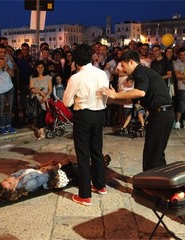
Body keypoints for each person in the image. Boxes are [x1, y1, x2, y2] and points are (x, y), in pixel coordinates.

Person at [101, 50, 174, 171]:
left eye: (123, 66)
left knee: (153, 152)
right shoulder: (141, 73)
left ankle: (153, 182)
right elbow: (130, 100)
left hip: (162, 114)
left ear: (131, 62)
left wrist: (116, 95)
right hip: (161, 114)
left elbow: (140, 92)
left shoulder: (141, 71)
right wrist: (112, 100)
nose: (123, 70)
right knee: (154, 151)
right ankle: (156, 181)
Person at [63, 43, 109, 206]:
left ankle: (85, 195)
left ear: (75, 60)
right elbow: (106, 95)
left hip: (83, 115)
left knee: (83, 155)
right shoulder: (102, 73)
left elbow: (66, 101)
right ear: (91, 57)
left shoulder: (76, 77)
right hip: (99, 114)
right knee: (97, 151)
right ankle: (100, 185)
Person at [0, 154, 111, 203]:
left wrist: (45, 164)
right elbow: (47, 176)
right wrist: (60, 164)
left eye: (6, 179)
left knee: (77, 166)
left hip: (48, 170)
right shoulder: (27, 185)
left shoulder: (15, 176)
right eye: (8, 182)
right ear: (12, 190)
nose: (9, 179)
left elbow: (33, 168)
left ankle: (97, 166)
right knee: (77, 170)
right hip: (57, 176)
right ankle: (99, 168)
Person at [0, 44, 17, 135]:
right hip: (0, 89)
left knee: (8, 109)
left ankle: (9, 125)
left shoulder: (8, 61)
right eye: (0, 52)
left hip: (9, 87)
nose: (2, 54)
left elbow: (13, 75)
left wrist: (7, 67)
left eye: (4, 52)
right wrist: (0, 66)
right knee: (1, 109)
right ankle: (2, 126)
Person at [29, 61, 53, 140]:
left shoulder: (48, 77)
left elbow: (50, 89)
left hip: (45, 98)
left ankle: (43, 131)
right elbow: (31, 88)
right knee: (39, 114)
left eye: (42, 67)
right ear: (36, 68)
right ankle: (42, 132)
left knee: (43, 114)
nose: (40, 69)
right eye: (38, 67)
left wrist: (46, 96)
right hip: (36, 99)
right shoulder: (32, 77)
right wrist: (40, 92)